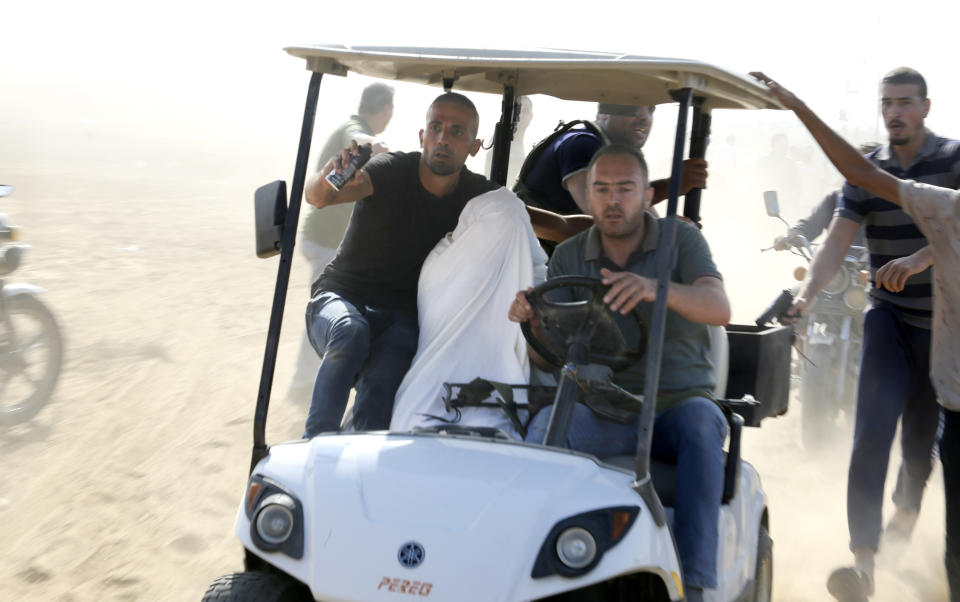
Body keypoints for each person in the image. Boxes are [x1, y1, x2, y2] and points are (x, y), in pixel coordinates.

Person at [751, 69, 960, 601]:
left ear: (926, 107)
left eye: (905, 103)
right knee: (871, 434)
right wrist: (803, 298)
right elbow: (837, 240)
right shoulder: (868, 171)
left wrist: (918, 258)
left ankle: (906, 520)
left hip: (945, 328)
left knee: (920, 450)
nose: (895, 113)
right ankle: (862, 565)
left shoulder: (954, 162)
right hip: (887, 317)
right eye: (887, 103)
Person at [508, 144, 731, 602]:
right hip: (604, 405)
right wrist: (534, 325)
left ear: (648, 195)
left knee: (703, 426)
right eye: (602, 189)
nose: (613, 200)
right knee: (541, 434)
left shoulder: (681, 241)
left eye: (625, 189)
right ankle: (523, 571)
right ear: (587, 197)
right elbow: (551, 361)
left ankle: (695, 585)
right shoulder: (569, 256)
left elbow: (718, 308)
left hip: (675, 405)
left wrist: (655, 288)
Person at [300, 91, 493, 438]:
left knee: (385, 379)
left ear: (474, 146)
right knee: (350, 333)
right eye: (435, 127)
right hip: (340, 297)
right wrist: (332, 174)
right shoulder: (390, 170)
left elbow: (527, 217)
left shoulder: (478, 195)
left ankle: (364, 463)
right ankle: (314, 445)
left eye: (456, 132)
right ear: (422, 136)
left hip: (401, 318)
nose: (442, 139)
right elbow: (319, 196)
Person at [389, 179, 548, 437]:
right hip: (436, 397)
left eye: (508, 231)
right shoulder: (444, 265)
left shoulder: (532, 277)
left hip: (435, 405)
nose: (492, 241)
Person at [287, 83, 395, 404]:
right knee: (327, 316)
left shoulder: (351, 127)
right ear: (385, 111)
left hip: (326, 239)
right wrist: (383, 149)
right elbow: (360, 142)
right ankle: (304, 385)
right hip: (327, 242)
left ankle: (309, 382)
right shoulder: (355, 131)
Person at [517, 103, 707, 216]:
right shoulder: (581, 143)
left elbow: (640, 212)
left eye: (650, 109)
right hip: (537, 269)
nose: (644, 117)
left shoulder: (612, 153)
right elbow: (601, 212)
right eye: (633, 108)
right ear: (605, 111)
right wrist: (671, 186)